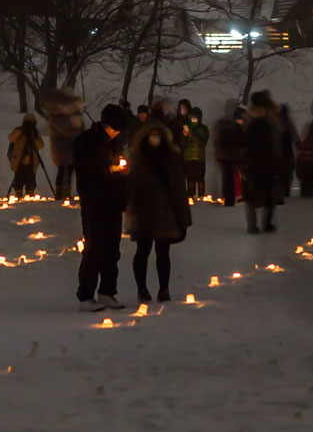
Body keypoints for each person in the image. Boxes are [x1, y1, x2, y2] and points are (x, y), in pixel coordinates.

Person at [126, 121, 192, 302]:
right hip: (144, 212)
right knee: (143, 251)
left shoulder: (171, 158)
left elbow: (178, 189)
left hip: (165, 212)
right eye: (151, 135)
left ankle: (164, 289)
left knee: (163, 252)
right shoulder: (138, 159)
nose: (155, 139)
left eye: (157, 135)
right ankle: (142, 289)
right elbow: (131, 188)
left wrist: (183, 218)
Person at [73, 104, 129, 312]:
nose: (116, 133)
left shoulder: (115, 144)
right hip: (94, 202)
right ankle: (86, 295)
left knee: (112, 249)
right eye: (114, 128)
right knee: (95, 247)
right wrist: (110, 169)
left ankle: (107, 291)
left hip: (114, 201)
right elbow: (88, 171)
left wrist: (123, 173)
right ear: (106, 124)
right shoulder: (86, 141)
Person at [242, 91, 279, 233]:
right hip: (261, 164)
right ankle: (261, 224)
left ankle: (258, 224)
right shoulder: (263, 124)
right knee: (262, 195)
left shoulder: (255, 123)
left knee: (259, 196)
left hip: (258, 164)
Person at [43, 88, 85, 202]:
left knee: (71, 170)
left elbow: (80, 128)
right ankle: (60, 194)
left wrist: (78, 129)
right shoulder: (55, 117)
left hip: (73, 147)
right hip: (61, 148)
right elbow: (62, 130)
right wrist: (75, 131)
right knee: (63, 170)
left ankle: (67, 193)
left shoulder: (72, 115)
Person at [212, 105, 245, 207]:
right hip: (231, 154)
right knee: (231, 177)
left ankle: (229, 198)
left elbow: (217, 140)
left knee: (227, 178)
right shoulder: (234, 126)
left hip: (224, 155)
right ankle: (232, 198)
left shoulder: (222, 124)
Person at [7, 114, 45, 198]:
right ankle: (18, 196)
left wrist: (33, 138)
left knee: (30, 181)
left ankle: (30, 196)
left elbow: (41, 145)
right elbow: (11, 138)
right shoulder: (19, 131)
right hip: (19, 161)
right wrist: (20, 131)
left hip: (32, 162)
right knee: (18, 180)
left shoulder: (35, 132)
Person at [179, 107, 210, 198]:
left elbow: (202, 139)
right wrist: (184, 136)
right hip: (187, 158)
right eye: (192, 117)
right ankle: (190, 197)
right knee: (190, 180)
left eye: (195, 118)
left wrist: (191, 134)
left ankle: (201, 198)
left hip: (198, 158)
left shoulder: (203, 128)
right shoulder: (186, 128)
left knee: (199, 179)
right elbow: (182, 144)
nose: (193, 120)